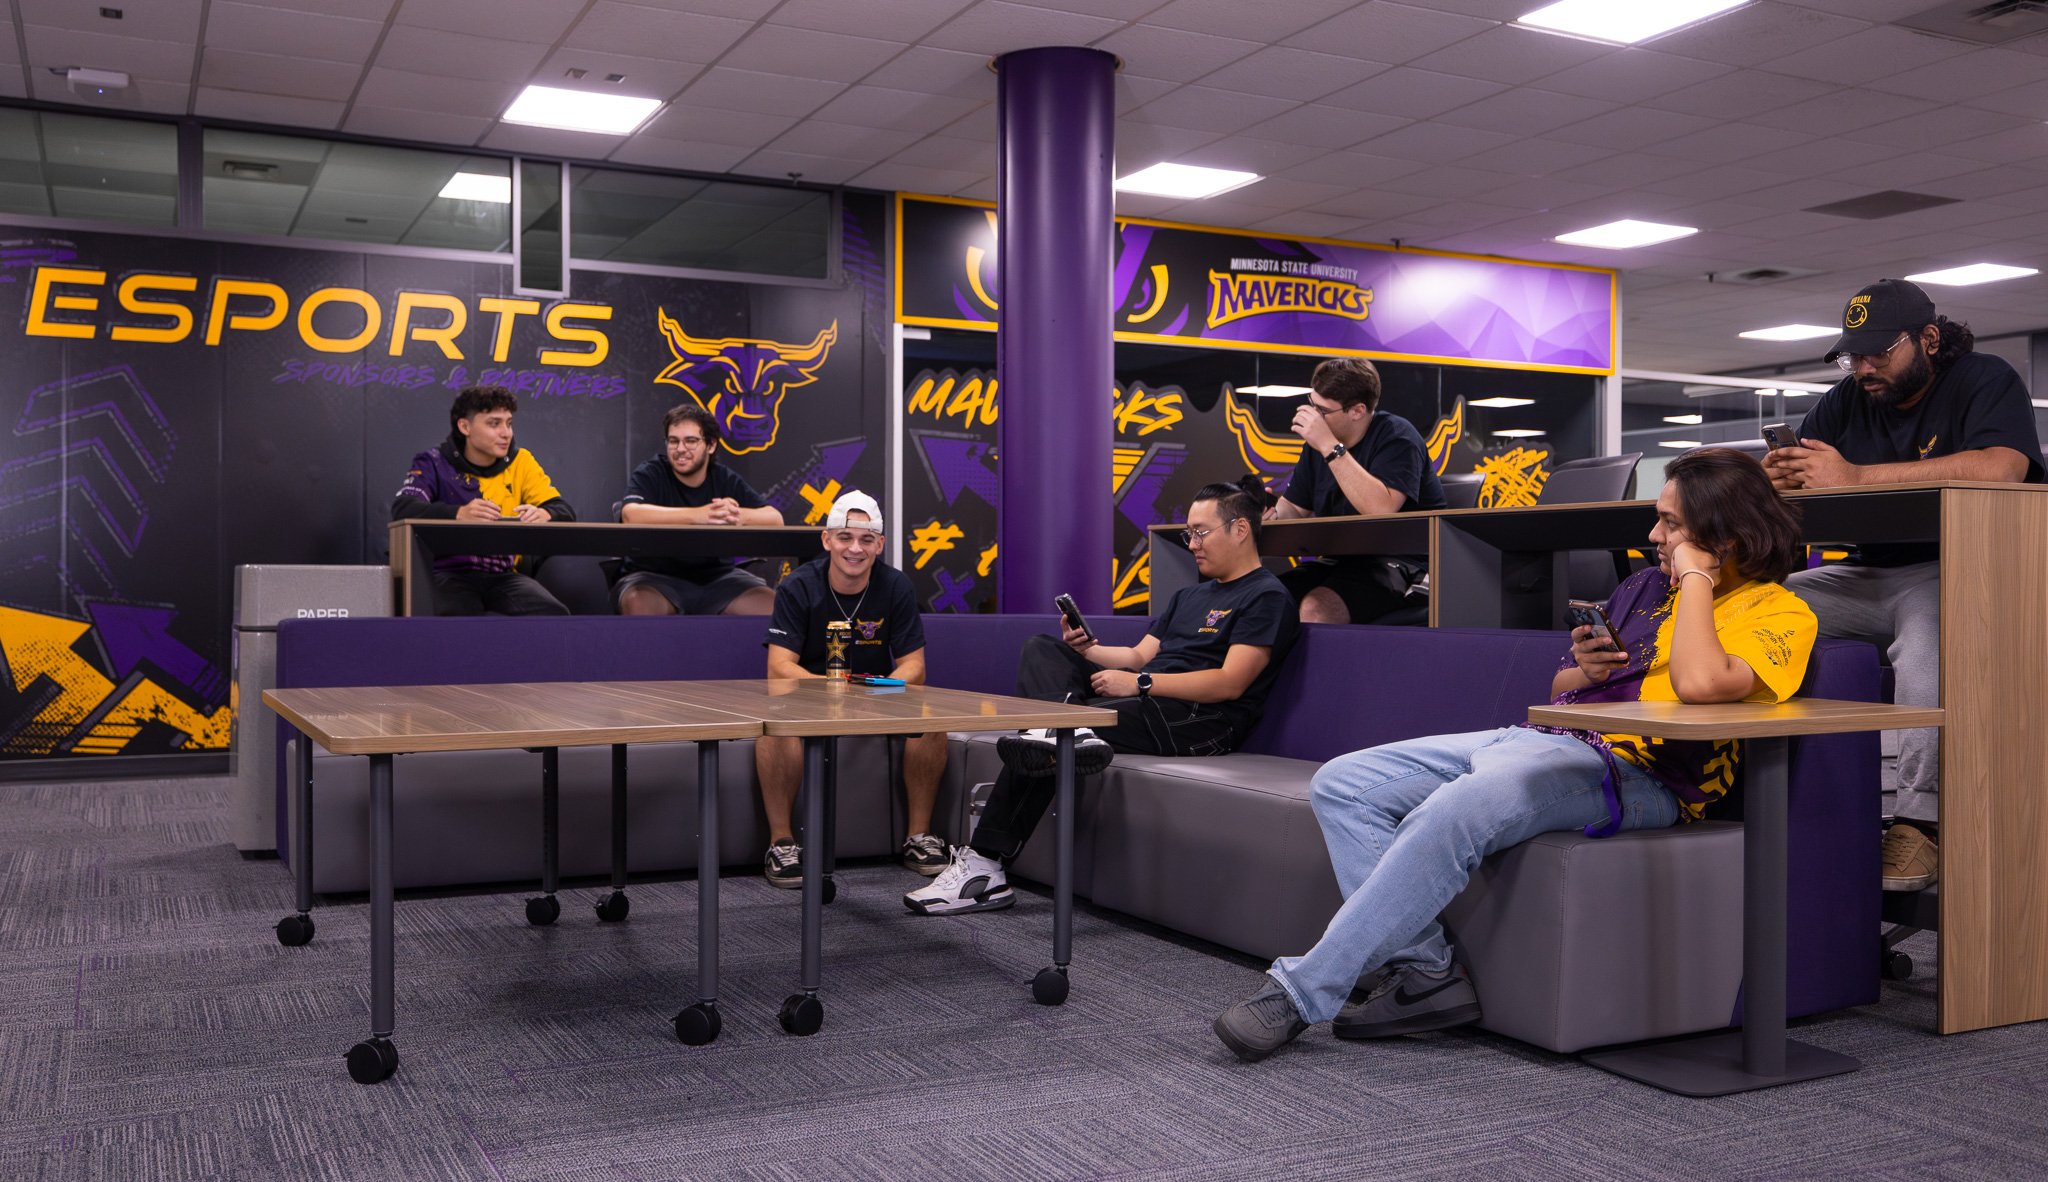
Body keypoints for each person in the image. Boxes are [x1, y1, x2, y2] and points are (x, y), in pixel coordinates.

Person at [1213, 448, 1816, 1062]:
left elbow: (1700, 685)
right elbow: (1555, 690)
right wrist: (1583, 672)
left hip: (1644, 777)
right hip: (1549, 741)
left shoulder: (1782, 613)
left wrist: (1696, 578)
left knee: (1455, 808)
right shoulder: (1639, 587)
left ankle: (1300, 992)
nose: (1654, 535)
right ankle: (1426, 969)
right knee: (1344, 783)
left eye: (1671, 523)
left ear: (1725, 532)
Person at [906, 476, 1301, 916]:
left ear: (1241, 529)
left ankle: (985, 865)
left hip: (1202, 721)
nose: (1192, 544)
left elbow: (1231, 683)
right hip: (1149, 704)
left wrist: (1142, 684)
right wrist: (1087, 649)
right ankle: (1065, 732)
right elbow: (1137, 655)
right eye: (1188, 534)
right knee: (1042, 650)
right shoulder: (1190, 595)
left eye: (1200, 532)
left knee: (1051, 730)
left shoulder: (1267, 596)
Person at [1763, 278, 2043, 892]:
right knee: (1754, 604)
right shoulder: (1846, 399)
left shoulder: (1982, 379)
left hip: (1954, 568)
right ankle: (1727, 779)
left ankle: (1921, 823)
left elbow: (2003, 466)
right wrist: (1783, 478)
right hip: (1863, 574)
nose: (1863, 368)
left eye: (1877, 353)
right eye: (1852, 355)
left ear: (1929, 339)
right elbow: (1817, 477)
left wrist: (1855, 475)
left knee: (1926, 649)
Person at [756, 491, 949, 884]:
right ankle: (781, 843)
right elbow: (779, 668)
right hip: (807, 698)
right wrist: (835, 689)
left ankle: (919, 836)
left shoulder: (896, 586)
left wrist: (878, 689)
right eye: (845, 537)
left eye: (865, 539)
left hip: (877, 698)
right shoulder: (798, 586)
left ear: (880, 544)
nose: (855, 549)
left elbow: (914, 666)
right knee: (773, 724)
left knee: (932, 718)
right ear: (827, 540)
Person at [1266, 357, 1447, 624]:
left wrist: (1329, 446)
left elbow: (1380, 509)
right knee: (1262, 600)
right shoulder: (1317, 446)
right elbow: (1295, 507)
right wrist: (1272, 514)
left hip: (1403, 563)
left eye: (1323, 411)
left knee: (1316, 610)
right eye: (1311, 404)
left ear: (1358, 411)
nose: (1313, 417)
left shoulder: (1398, 437)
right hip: (1342, 559)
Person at [392, 384, 576, 616]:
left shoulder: (521, 461)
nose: (506, 433)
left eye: (509, 423)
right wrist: (458, 514)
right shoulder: (433, 462)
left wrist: (546, 514)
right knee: (460, 616)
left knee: (554, 614)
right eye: (494, 423)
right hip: (448, 574)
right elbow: (403, 507)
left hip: (503, 576)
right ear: (465, 426)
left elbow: (563, 509)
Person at [615, 404, 784, 617]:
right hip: (654, 578)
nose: (680, 449)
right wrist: (700, 515)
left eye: (691, 441)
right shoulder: (651, 473)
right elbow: (631, 514)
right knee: (638, 603)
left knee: (773, 606)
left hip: (718, 579)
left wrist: (735, 515)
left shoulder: (723, 477)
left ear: (711, 445)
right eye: (673, 441)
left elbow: (775, 519)